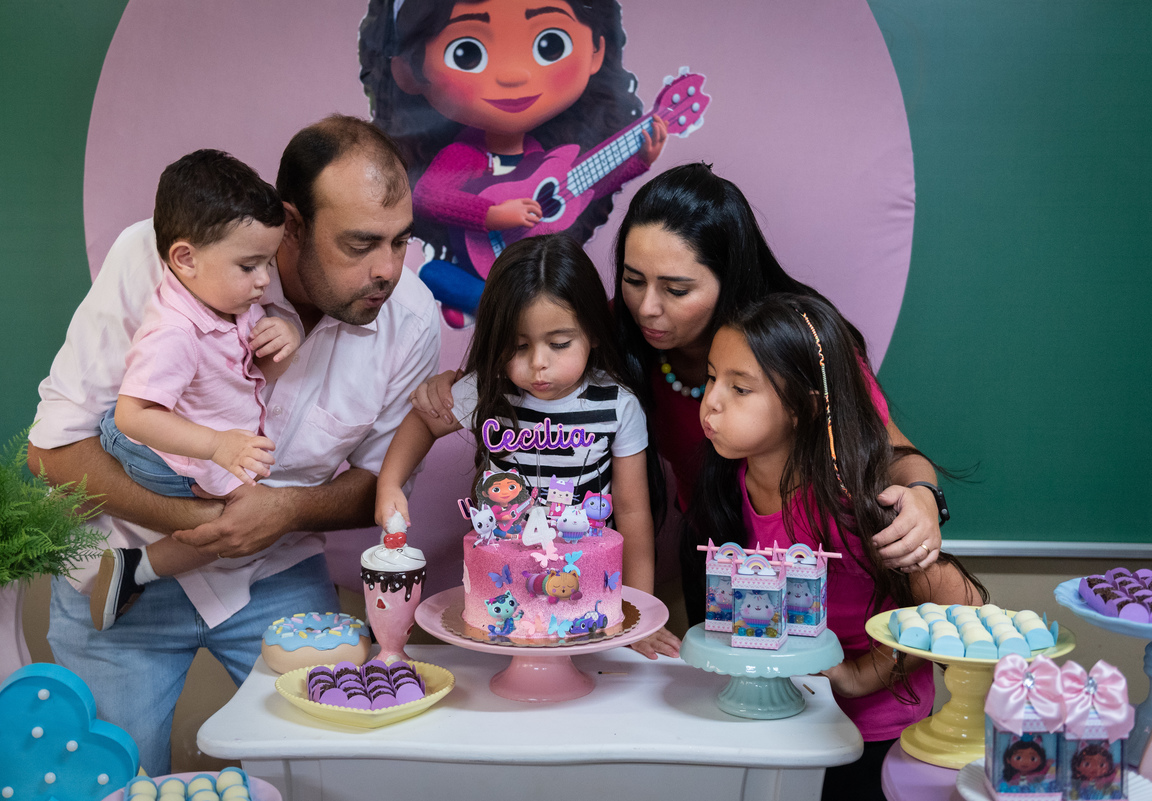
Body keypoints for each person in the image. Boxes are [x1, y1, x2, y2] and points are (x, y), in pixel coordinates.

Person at [26, 115, 441, 775]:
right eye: (361, 244)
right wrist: (202, 524)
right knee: (114, 784)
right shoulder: (160, 258)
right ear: (291, 224)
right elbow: (52, 451)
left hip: (276, 575)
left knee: (330, 774)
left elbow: (380, 487)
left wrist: (285, 510)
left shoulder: (412, 321)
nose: (388, 270)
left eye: (401, 240)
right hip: (117, 575)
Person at [410, 164, 945, 646]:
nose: (647, 307)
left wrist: (923, 497)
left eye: (677, 289)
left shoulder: (795, 346)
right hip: (714, 551)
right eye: (633, 280)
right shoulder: (611, 333)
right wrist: (463, 384)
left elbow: (894, 455)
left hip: (812, 564)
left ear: (728, 281)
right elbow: (531, 353)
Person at [687, 293, 985, 801]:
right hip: (790, 718)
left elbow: (961, 603)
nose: (712, 401)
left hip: (872, 734)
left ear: (804, 407)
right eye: (711, 378)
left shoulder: (849, 503)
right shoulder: (729, 480)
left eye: (740, 388)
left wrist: (861, 676)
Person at [89, 149, 302, 632]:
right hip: (148, 444)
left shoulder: (226, 299)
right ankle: (135, 569)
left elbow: (250, 372)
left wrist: (286, 338)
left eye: (268, 263)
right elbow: (132, 415)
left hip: (205, 442)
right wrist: (216, 445)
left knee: (243, 519)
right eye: (249, 266)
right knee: (231, 524)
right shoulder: (174, 333)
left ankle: (135, 568)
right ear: (185, 259)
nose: (265, 280)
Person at [375, 234, 656, 598]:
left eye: (559, 344)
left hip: (584, 582)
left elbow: (633, 515)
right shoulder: (489, 390)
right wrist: (389, 483)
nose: (538, 362)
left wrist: (640, 605)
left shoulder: (617, 405)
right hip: (504, 585)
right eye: (519, 346)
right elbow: (423, 422)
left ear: (593, 333)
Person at [359, 0, 666, 325]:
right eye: (467, 53)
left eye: (549, 45)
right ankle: (491, 303)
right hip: (479, 261)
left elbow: (585, 188)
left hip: (530, 270)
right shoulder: (464, 154)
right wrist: (491, 215)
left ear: (596, 51)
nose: (513, 75)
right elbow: (428, 197)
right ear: (409, 70)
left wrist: (638, 162)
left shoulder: (543, 156)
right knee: (433, 272)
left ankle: (493, 302)